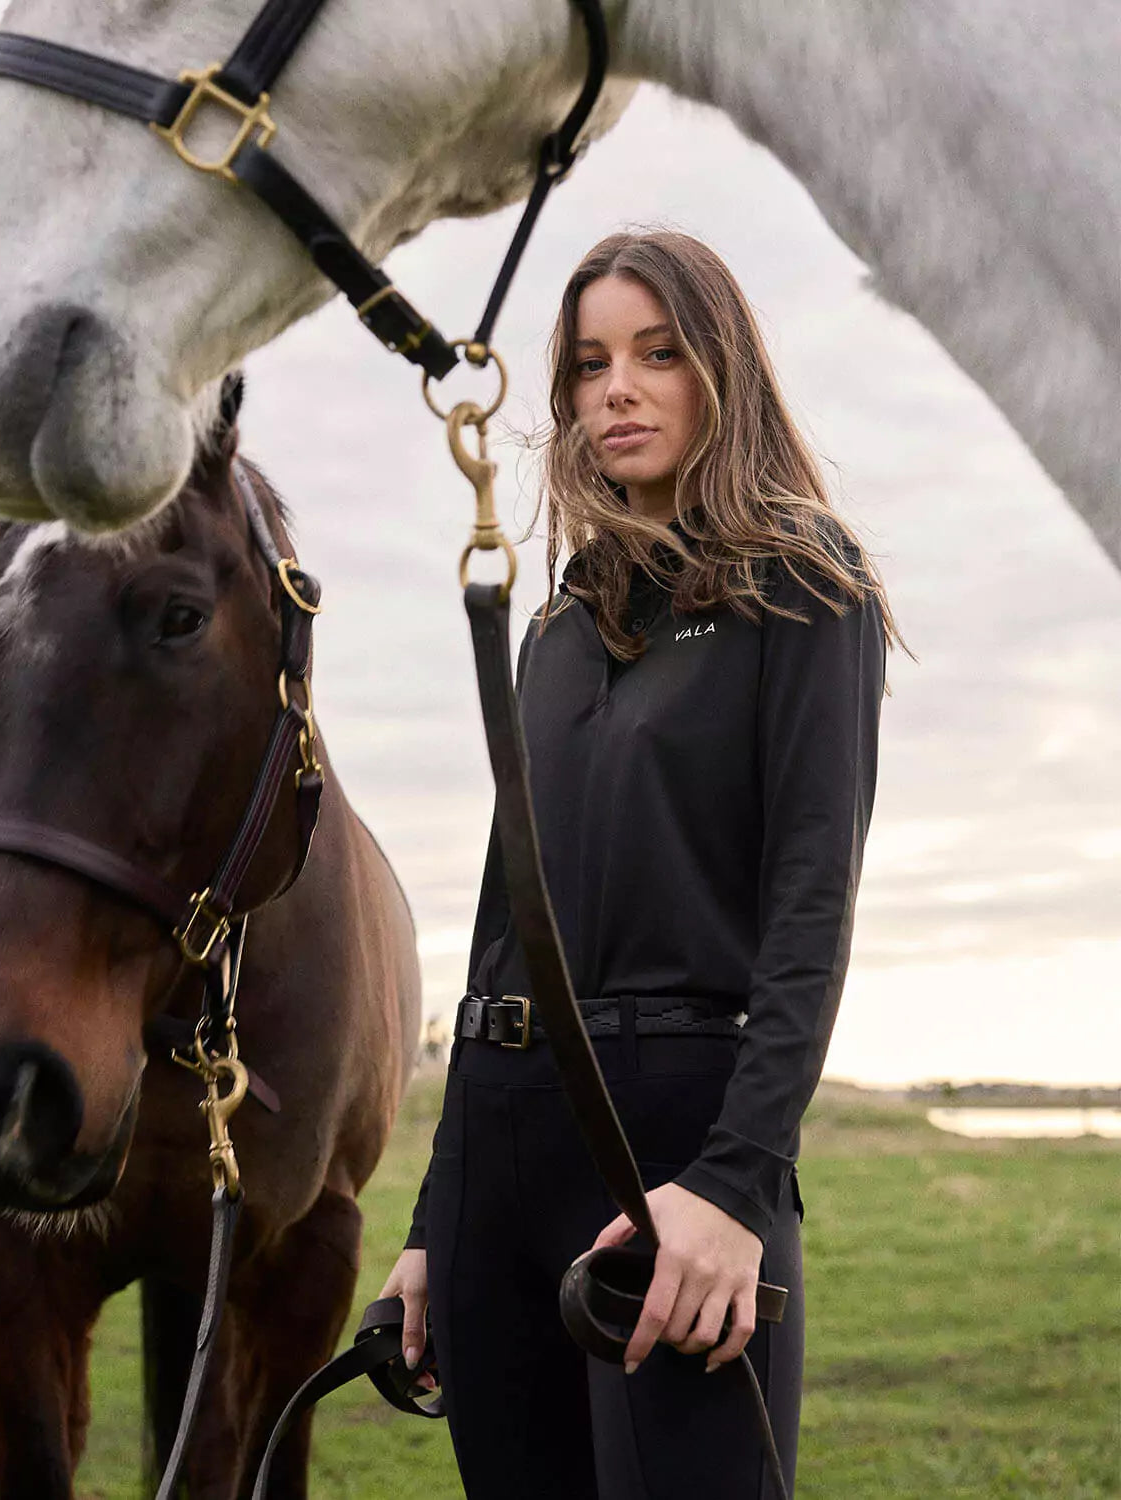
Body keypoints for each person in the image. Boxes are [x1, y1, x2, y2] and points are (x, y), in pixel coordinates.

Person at [381, 230, 896, 1498]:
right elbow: (507, 939)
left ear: (719, 370)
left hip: (678, 1138)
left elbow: (809, 911)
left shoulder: (808, 587)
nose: (617, 388)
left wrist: (736, 1182)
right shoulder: (551, 626)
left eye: (658, 355)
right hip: (499, 1140)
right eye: (591, 362)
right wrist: (427, 1226)